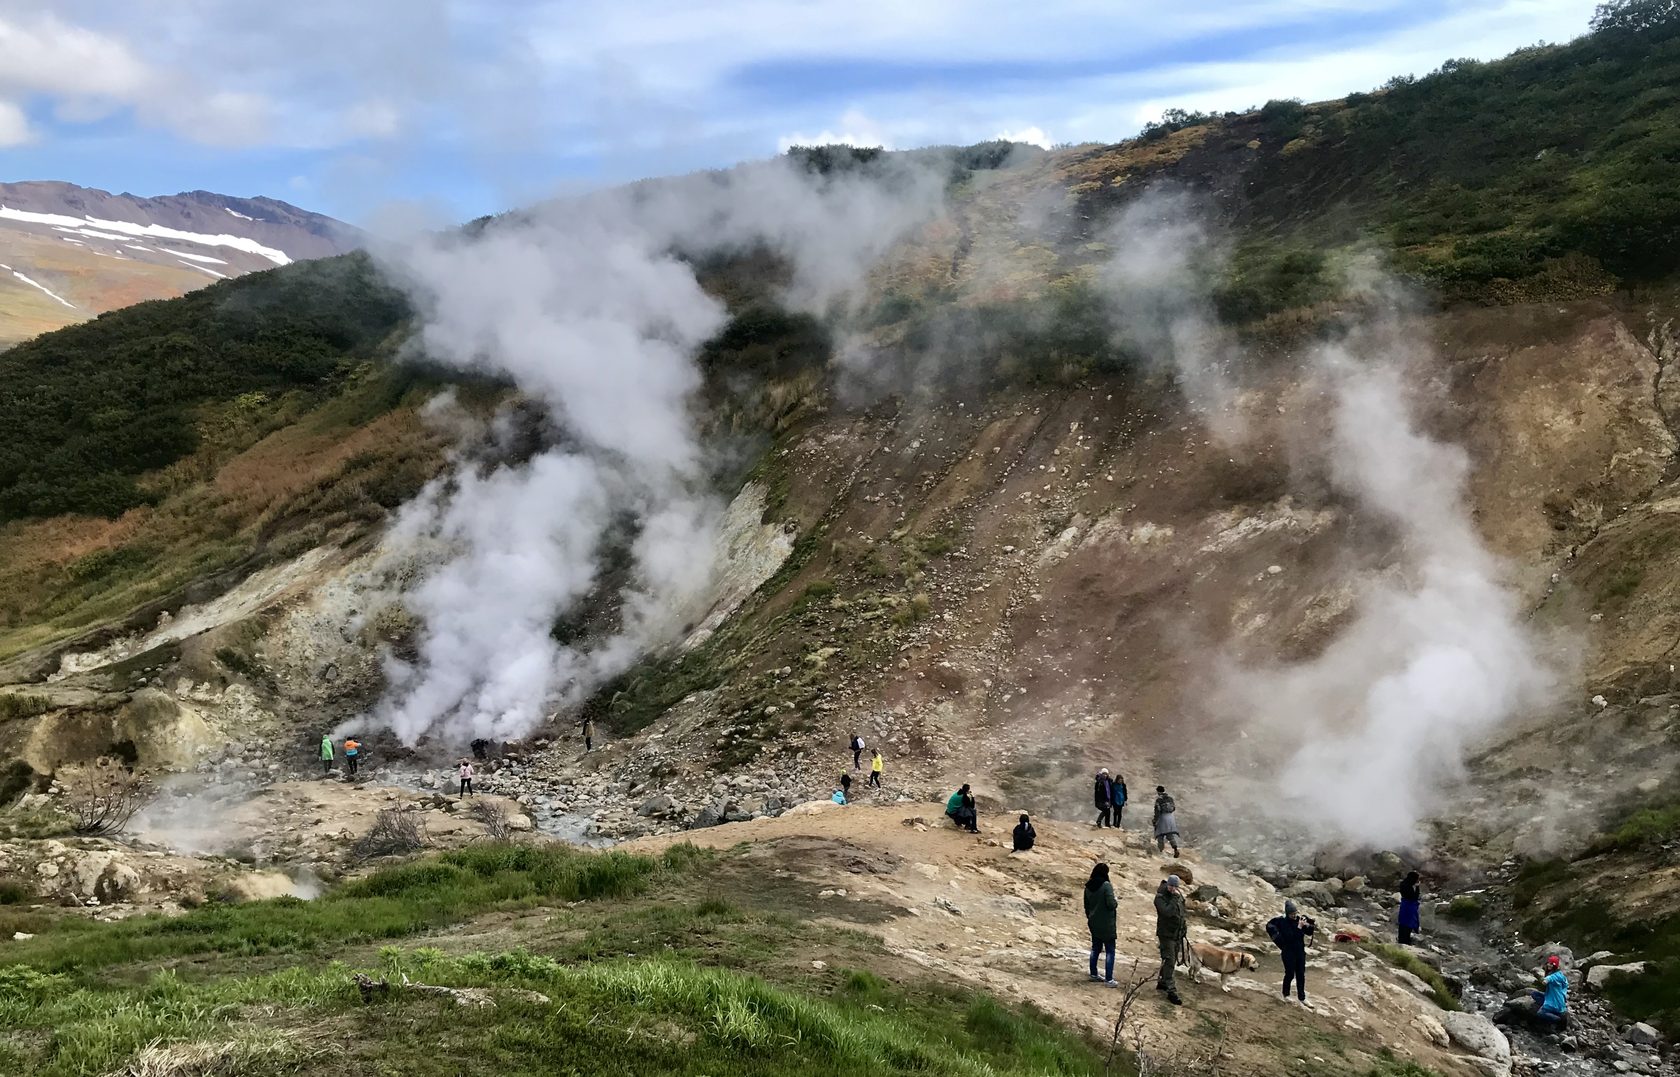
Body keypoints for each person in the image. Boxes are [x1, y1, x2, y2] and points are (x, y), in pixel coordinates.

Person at [1498, 955, 1569, 1033]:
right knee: (1534, 994)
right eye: (1549, 963)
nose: (1549, 965)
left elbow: (1549, 979)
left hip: (1555, 1002)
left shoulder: (1554, 976)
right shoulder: (1560, 975)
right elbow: (1565, 985)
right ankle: (1548, 1006)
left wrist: (1544, 981)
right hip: (1552, 997)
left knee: (1540, 1013)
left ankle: (1557, 1019)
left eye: (1552, 964)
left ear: (1555, 965)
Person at [1266, 900, 1316, 1003]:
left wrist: (1308, 924)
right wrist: (1299, 927)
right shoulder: (1284, 923)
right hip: (1288, 952)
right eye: (1292, 914)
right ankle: (1286, 994)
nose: (1294, 916)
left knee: (1301, 975)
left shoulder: (1299, 920)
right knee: (1289, 974)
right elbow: (1290, 937)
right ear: (1287, 914)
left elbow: (1309, 932)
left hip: (1300, 952)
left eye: (1295, 913)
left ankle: (1302, 997)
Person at [1084, 863, 1119, 986]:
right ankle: (1109, 979)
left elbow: (1086, 906)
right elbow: (1111, 904)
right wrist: (1116, 902)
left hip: (1094, 922)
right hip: (1107, 923)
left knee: (1095, 948)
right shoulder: (1106, 886)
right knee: (1110, 950)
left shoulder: (1088, 886)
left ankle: (1093, 973)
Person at [1154, 874, 1187, 1004]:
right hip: (1166, 935)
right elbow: (1167, 912)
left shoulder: (1178, 897)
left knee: (1169, 961)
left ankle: (1162, 982)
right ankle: (1171, 991)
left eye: (1175, 886)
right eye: (1171, 886)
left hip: (1176, 934)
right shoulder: (1159, 898)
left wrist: (1183, 928)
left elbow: (1182, 913)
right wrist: (1174, 899)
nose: (1173, 889)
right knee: (1169, 961)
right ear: (1167, 884)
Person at [1152, 786, 1181, 857]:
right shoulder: (1170, 798)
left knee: (1160, 836)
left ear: (1158, 791)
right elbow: (1174, 808)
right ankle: (1175, 849)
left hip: (1162, 818)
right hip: (1170, 818)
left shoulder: (1159, 800)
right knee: (1170, 835)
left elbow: (1157, 811)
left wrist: (1155, 820)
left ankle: (1160, 852)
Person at [1398, 871, 1422, 945]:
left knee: (1402, 923)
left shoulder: (1403, 884)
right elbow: (1414, 897)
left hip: (1404, 905)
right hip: (1410, 906)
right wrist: (1417, 887)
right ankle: (1406, 940)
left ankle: (1401, 939)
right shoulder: (1409, 887)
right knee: (1409, 924)